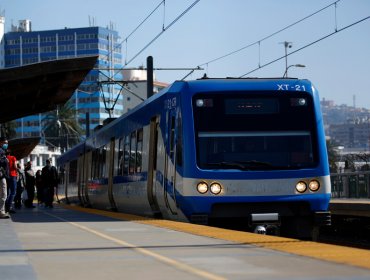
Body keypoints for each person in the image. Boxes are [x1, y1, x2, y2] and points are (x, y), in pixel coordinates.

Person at [5, 149, 17, 214]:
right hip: (12, 175)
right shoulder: (13, 157)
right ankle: (8, 206)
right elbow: (15, 166)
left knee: (7, 192)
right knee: (13, 192)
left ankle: (5, 205)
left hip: (6, 176)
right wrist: (17, 169)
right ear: (10, 153)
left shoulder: (4, 158)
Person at [0, 137, 10, 218]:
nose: (6, 144)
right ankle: (1, 212)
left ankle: (2, 211)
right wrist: (5, 160)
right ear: (1, 143)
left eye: (7, 143)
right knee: (4, 194)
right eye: (5, 143)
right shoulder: (1, 151)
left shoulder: (3, 151)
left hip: (3, 175)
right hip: (1, 175)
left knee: (3, 194)